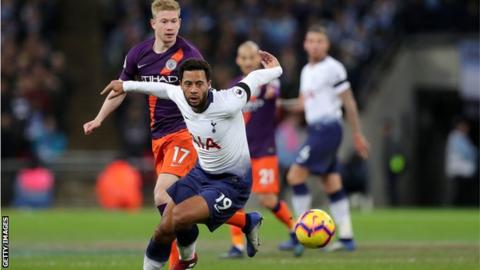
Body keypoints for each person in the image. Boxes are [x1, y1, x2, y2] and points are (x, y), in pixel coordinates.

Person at [83, 1, 249, 268]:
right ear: (153, 24)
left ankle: (185, 257)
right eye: (164, 21)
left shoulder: (189, 55)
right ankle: (236, 226)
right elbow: (122, 87)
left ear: (180, 22)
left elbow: (209, 97)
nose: (170, 26)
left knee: (162, 196)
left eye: (174, 21)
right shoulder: (138, 54)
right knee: (179, 205)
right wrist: (99, 118)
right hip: (159, 137)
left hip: (184, 134)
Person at [101, 51, 282, 270]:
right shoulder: (179, 94)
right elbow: (161, 88)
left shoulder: (229, 101)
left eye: (199, 84)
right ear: (182, 84)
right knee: (163, 228)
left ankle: (187, 261)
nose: (193, 89)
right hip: (201, 173)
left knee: (180, 216)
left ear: (209, 84)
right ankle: (243, 224)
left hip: (232, 182)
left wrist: (275, 69)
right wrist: (126, 86)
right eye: (188, 84)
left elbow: (253, 79)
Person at [286, 25, 369, 252]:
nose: (315, 45)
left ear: (327, 44)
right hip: (316, 129)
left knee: (295, 176)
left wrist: (358, 133)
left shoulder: (334, 68)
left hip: (328, 128)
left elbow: (349, 102)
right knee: (331, 183)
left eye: (319, 41)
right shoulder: (306, 71)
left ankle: (297, 234)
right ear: (305, 44)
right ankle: (347, 238)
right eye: (311, 41)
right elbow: (302, 104)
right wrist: (275, 104)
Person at [220, 41, 301, 259]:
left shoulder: (269, 83)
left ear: (258, 60)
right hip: (238, 155)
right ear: (238, 60)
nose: (247, 62)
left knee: (267, 199)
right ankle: (237, 246)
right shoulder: (233, 86)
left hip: (264, 150)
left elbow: (273, 91)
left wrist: (270, 71)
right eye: (243, 58)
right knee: (231, 199)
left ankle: (296, 232)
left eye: (251, 58)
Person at [445, 118, 478, 206]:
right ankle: (456, 207)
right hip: (459, 171)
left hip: (463, 171)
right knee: (459, 193)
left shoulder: (463, 138)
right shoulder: (456, 137)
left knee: (464, 193)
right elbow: (468, 153)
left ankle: (463, 207)